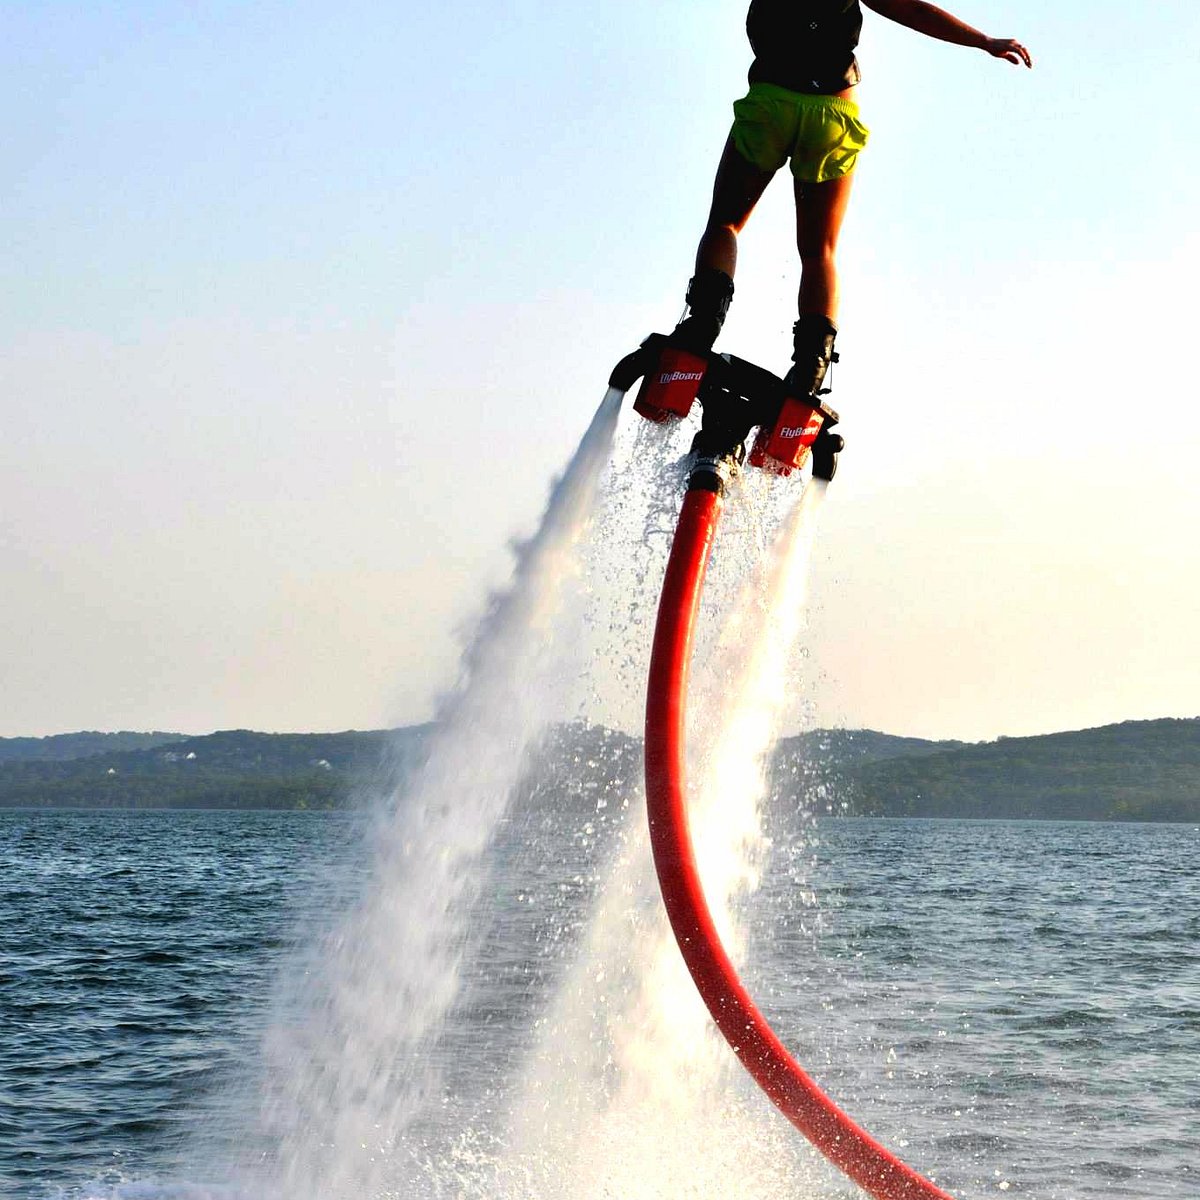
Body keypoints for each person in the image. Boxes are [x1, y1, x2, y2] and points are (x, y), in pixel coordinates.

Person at [670, 0, 1031, 401]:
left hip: (771, 104)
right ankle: (810, 367)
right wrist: (983, 41)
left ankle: (700, 328)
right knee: (819, 251)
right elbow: (911, 9)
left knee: (726, 224)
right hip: (835, 112)